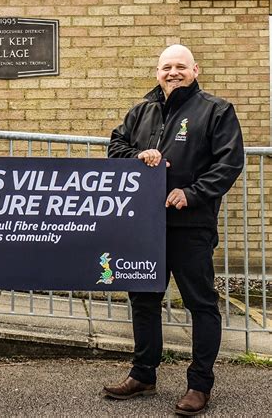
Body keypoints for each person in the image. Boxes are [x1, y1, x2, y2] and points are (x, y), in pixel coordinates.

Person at [104, 44, 244, 416]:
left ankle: (199, 385)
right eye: (167, 67)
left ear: (195, 69)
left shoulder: (216, 111)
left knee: (201, 304)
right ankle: (143, 374)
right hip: (145, 225)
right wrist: (137, 156)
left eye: (181, 66)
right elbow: (115, 146)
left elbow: (230, 163)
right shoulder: (141, 110)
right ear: (157, 72)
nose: (173, 72)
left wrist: (192, 193)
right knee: (144, 300)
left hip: (191, 226)